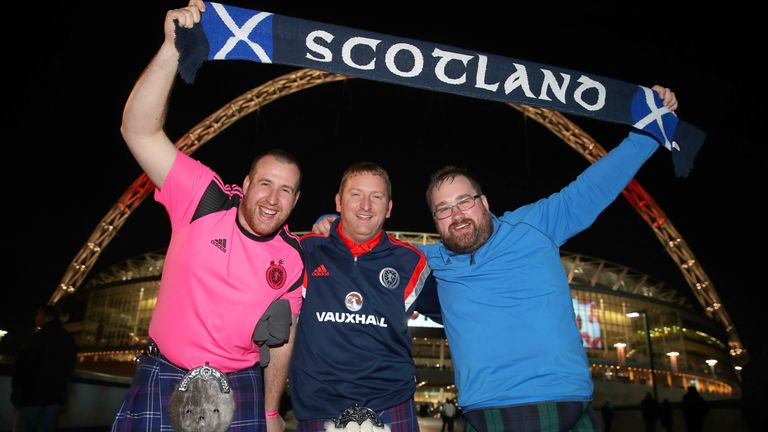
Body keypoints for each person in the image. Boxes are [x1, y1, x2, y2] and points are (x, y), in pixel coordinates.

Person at [315, 85, 678, 431]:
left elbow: (594, 186)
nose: (457, 215)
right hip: (484, 413)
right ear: (436, 222)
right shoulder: (427, 260)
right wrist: (335, 224)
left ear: (484, 203)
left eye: (465, 201)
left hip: (561, 402)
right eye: (443, 209)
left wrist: (648, 132)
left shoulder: (535, 226)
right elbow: (376, 248)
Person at [112, 2, 304, 431]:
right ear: (246, 183)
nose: (272, 198)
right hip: (165, 376)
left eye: (286, 190)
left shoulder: (292, 257)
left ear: (296, 201)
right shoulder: (204, 197)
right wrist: (171, 49)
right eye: (265, 183)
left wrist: (272, 411)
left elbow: (284, 339)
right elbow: (138, 129)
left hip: (240, 388)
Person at [289, 162, 441, 431]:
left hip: (390, 407)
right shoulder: (305, 252)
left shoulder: (410, 262)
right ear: (338, 202)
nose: (366, 205)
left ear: (389, 207)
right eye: (356, 194)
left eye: (376, 196)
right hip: (319, 408)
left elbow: (458, 311)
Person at [11, 304, 77, 432]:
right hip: (55, 395)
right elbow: (69, 367)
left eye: (38, 314)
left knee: (26, 427)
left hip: (32, 394)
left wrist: (17, 388)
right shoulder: (68, 339)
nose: (35, 317)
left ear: (46, 317)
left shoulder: (38, 337)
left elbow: (24, 365)